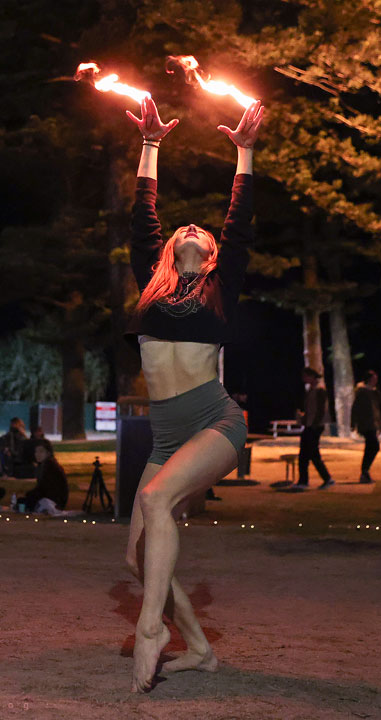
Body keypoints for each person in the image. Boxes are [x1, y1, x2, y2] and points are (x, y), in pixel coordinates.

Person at [122, 96, 264, 692]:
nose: (190, 228)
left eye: (201, 232)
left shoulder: (220, 286)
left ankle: (153, 631)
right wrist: (151, 145)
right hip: (165, 432)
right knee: (136, 556)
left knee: (155, 504)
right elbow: (141, 218)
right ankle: (201, 650)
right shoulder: (151, 284)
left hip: (215, 421)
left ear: (211, 254)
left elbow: (241, 219)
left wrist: (245, 152)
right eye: (180, 228)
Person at [293, 367, 334, 490]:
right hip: (310, 425)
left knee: (309, 453)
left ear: (311, 377)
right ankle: (305, 480)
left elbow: (321, 410)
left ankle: (322, 479)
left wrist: (314, 423)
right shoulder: (311, 390)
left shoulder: (319, 390)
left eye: (306, 376)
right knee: (307, 454)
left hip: (315, 426)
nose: (304, 379)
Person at [351, 370, 381, 483]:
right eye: (374, 379)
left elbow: (377, 407)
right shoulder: (362, 392)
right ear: (369, 379)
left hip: (373, 423)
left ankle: (365, 472)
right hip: (366, 423)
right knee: (374, 446)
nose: (376, 381)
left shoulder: (373, 392)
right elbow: (356, 407)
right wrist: (353, 423)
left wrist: (379, 424)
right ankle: (364, 471)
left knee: (371, 447)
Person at [20, 439, 68, 511]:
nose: (37, 454)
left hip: (54, 502)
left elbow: (43, 489)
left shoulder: (51, 467)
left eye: (41, 451)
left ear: (48, 453)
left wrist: (29, 495)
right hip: (49, 498)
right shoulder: (42, 466)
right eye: (36, 451)